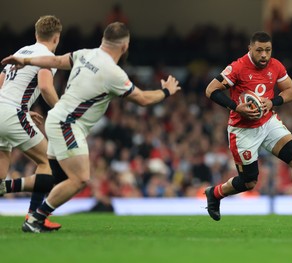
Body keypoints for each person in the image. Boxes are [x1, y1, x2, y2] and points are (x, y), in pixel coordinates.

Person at [1, 22, 181, 233]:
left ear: (104, 40)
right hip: (68, 124)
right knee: (80, 179)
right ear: (125, 46)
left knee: (56, 178)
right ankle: (36, 219)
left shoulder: (85, 54)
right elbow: (142, 98)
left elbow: (56, 61)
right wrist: (166, 91)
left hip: (56, 118)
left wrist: (25, 59)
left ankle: (10, 190)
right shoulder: (113, 73)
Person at [204, 31, 292, 226]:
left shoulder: (276, 65)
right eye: (259, 50)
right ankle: (214, 193)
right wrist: (236, 107)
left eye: (267, 50)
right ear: (250, 49)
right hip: (243, 131)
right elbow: (210, 90)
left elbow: (291, 91)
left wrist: (272, 102)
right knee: (249, 182)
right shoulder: (237, 67)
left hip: (268, 123)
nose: (264, 55)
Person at [0, 15, 63, 230]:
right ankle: (34, 218)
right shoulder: (47, 56)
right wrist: (62, 112)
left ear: (36, 35)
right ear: (56, 39)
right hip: (11, 113)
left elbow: (1, 84)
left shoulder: (21, 52)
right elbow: (45, 87)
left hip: (4, 109)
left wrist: (24, 110)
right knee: (48, 162)